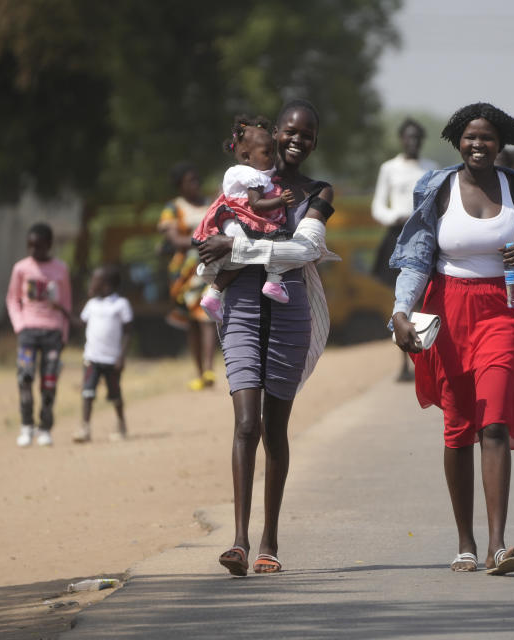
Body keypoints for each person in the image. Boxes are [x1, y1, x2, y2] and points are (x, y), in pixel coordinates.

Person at [390, 103, 514, 574]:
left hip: (503, 311)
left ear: (500, 144)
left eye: (486, 138)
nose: (477, 144)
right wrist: (401, 312)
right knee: (459, 427)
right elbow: (416, 258)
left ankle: (498, 545)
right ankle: (465, 542)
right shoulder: (436, 188)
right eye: (469, 137)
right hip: (447, 311)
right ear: (457, 142)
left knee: (495, 421)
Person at [197, 99, 337, 577]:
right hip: (239, 308)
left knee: (275, 429)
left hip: (290, 310)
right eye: (291, 131)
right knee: (245, 425)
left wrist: (237, 247)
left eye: (309, 134)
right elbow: (212, 233)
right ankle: (237, 541)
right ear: (274, 133)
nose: (298, 140)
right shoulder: (245, 180)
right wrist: (227, 247)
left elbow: (307, 248)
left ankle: (269, 543)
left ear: (315, 141)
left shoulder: (319, 191)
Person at [192, 115, 297, 323]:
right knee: (280, 242)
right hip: (244, 223)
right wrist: (280, 201)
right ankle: (273, 281)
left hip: (231, 223)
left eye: (273, 152)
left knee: (238, 264)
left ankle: (212, 296)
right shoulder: (252, 175)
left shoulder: (239, 172)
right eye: (267, 153)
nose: (272, 157)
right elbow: (256, 203)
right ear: (247, 156)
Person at [371, 118, 438, 382]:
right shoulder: (389, 168)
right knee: (402, 299)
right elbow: (378, 205)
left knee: (424, 298)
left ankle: (425, 360)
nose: (412, 142)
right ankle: (404, 361)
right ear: (401, 139)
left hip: (423, 235)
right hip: (397, 234)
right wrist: (394, 216)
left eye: (417, 138)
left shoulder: (431, 169)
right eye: (408, 137)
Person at [5, 222, 72, 448]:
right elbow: (12, 300)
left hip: (52, 332)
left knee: (50, 381)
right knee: (25, 378)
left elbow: (65, 304)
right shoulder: (21, 269)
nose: (35, 251)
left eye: (40, 246)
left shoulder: (60, 269)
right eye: (31, 246)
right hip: (28, 332)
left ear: (49, 245)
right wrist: (20, 326)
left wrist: (63, 334)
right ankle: (26, 426)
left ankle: (45, 428)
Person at [157, 162, 218, 391]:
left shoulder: (210, 204)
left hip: (208, 267)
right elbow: (175, 240)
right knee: (192, 322)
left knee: (206, 316)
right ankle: (200, 372)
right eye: (190, 181)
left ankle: (210, 368)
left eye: (197, 180)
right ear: (180, 185)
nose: (196, 184)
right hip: (184, 272)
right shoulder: (172, 208)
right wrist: (203, 240)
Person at [72, 265, 133, 443]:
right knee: (87, 392)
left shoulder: (121, 304)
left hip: (112, 360)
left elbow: (128, 332)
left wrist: (121, 357)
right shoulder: (91, 305)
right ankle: (85, 428)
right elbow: (80, 323)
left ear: (106, 285)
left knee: (115, 394)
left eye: (94, 282)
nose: (91, 285)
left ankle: (121, 424)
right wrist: (62, 312)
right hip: (92, 358)